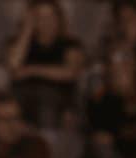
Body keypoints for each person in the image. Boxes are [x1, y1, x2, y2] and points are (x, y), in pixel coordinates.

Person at [7, 1, 86, 130]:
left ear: (59, 19)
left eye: (50, 16)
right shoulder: (17, 42)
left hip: (59, 100)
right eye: (40, 17)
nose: (46, 22)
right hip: (23, 100)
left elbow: (70, 72)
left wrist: (31, 70)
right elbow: (13, 66)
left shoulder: (71, 44)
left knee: (46, 96)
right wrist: (27, 30)